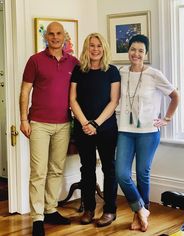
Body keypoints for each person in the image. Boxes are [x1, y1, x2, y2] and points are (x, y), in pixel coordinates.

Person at [19, 22, 79, 236]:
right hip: (39, 124)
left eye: (58, 33)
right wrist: (24, 119)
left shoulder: (74, 62)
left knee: (56, 169)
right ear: (46, 37)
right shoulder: (35, 60)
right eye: (51, 34)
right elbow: (25, 91)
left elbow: (80, 92)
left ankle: (50, 208)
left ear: (64, 36)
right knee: (38, 172)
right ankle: (37, 218)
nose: (55, 37)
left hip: (63, 124)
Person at [115, 34, 179, 232]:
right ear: (129, 51)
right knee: (122, 173)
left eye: (141, 51)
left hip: (149, 132)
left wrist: (166, 119)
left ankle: (140, 216)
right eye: (133, 49)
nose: (136, 54)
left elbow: (175, 96)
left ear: (146, 53)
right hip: (125, 130)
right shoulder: (121, 72)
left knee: (142, 173)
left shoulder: (154, 74)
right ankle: (142, 209)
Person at [70, 33, 120, 227]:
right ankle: (89, 209)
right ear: (86, 47)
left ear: (104, 48)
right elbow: (72, 99)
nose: (95, 49)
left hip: (106, 128)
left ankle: (109, 211)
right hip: (83, 128)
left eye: (99, 45)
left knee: (109, 169)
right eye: (92, 45)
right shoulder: (78, 70)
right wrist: (84, 123)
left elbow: (114, 101)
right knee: (87, 169)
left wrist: (96, 124)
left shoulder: (112, 71)